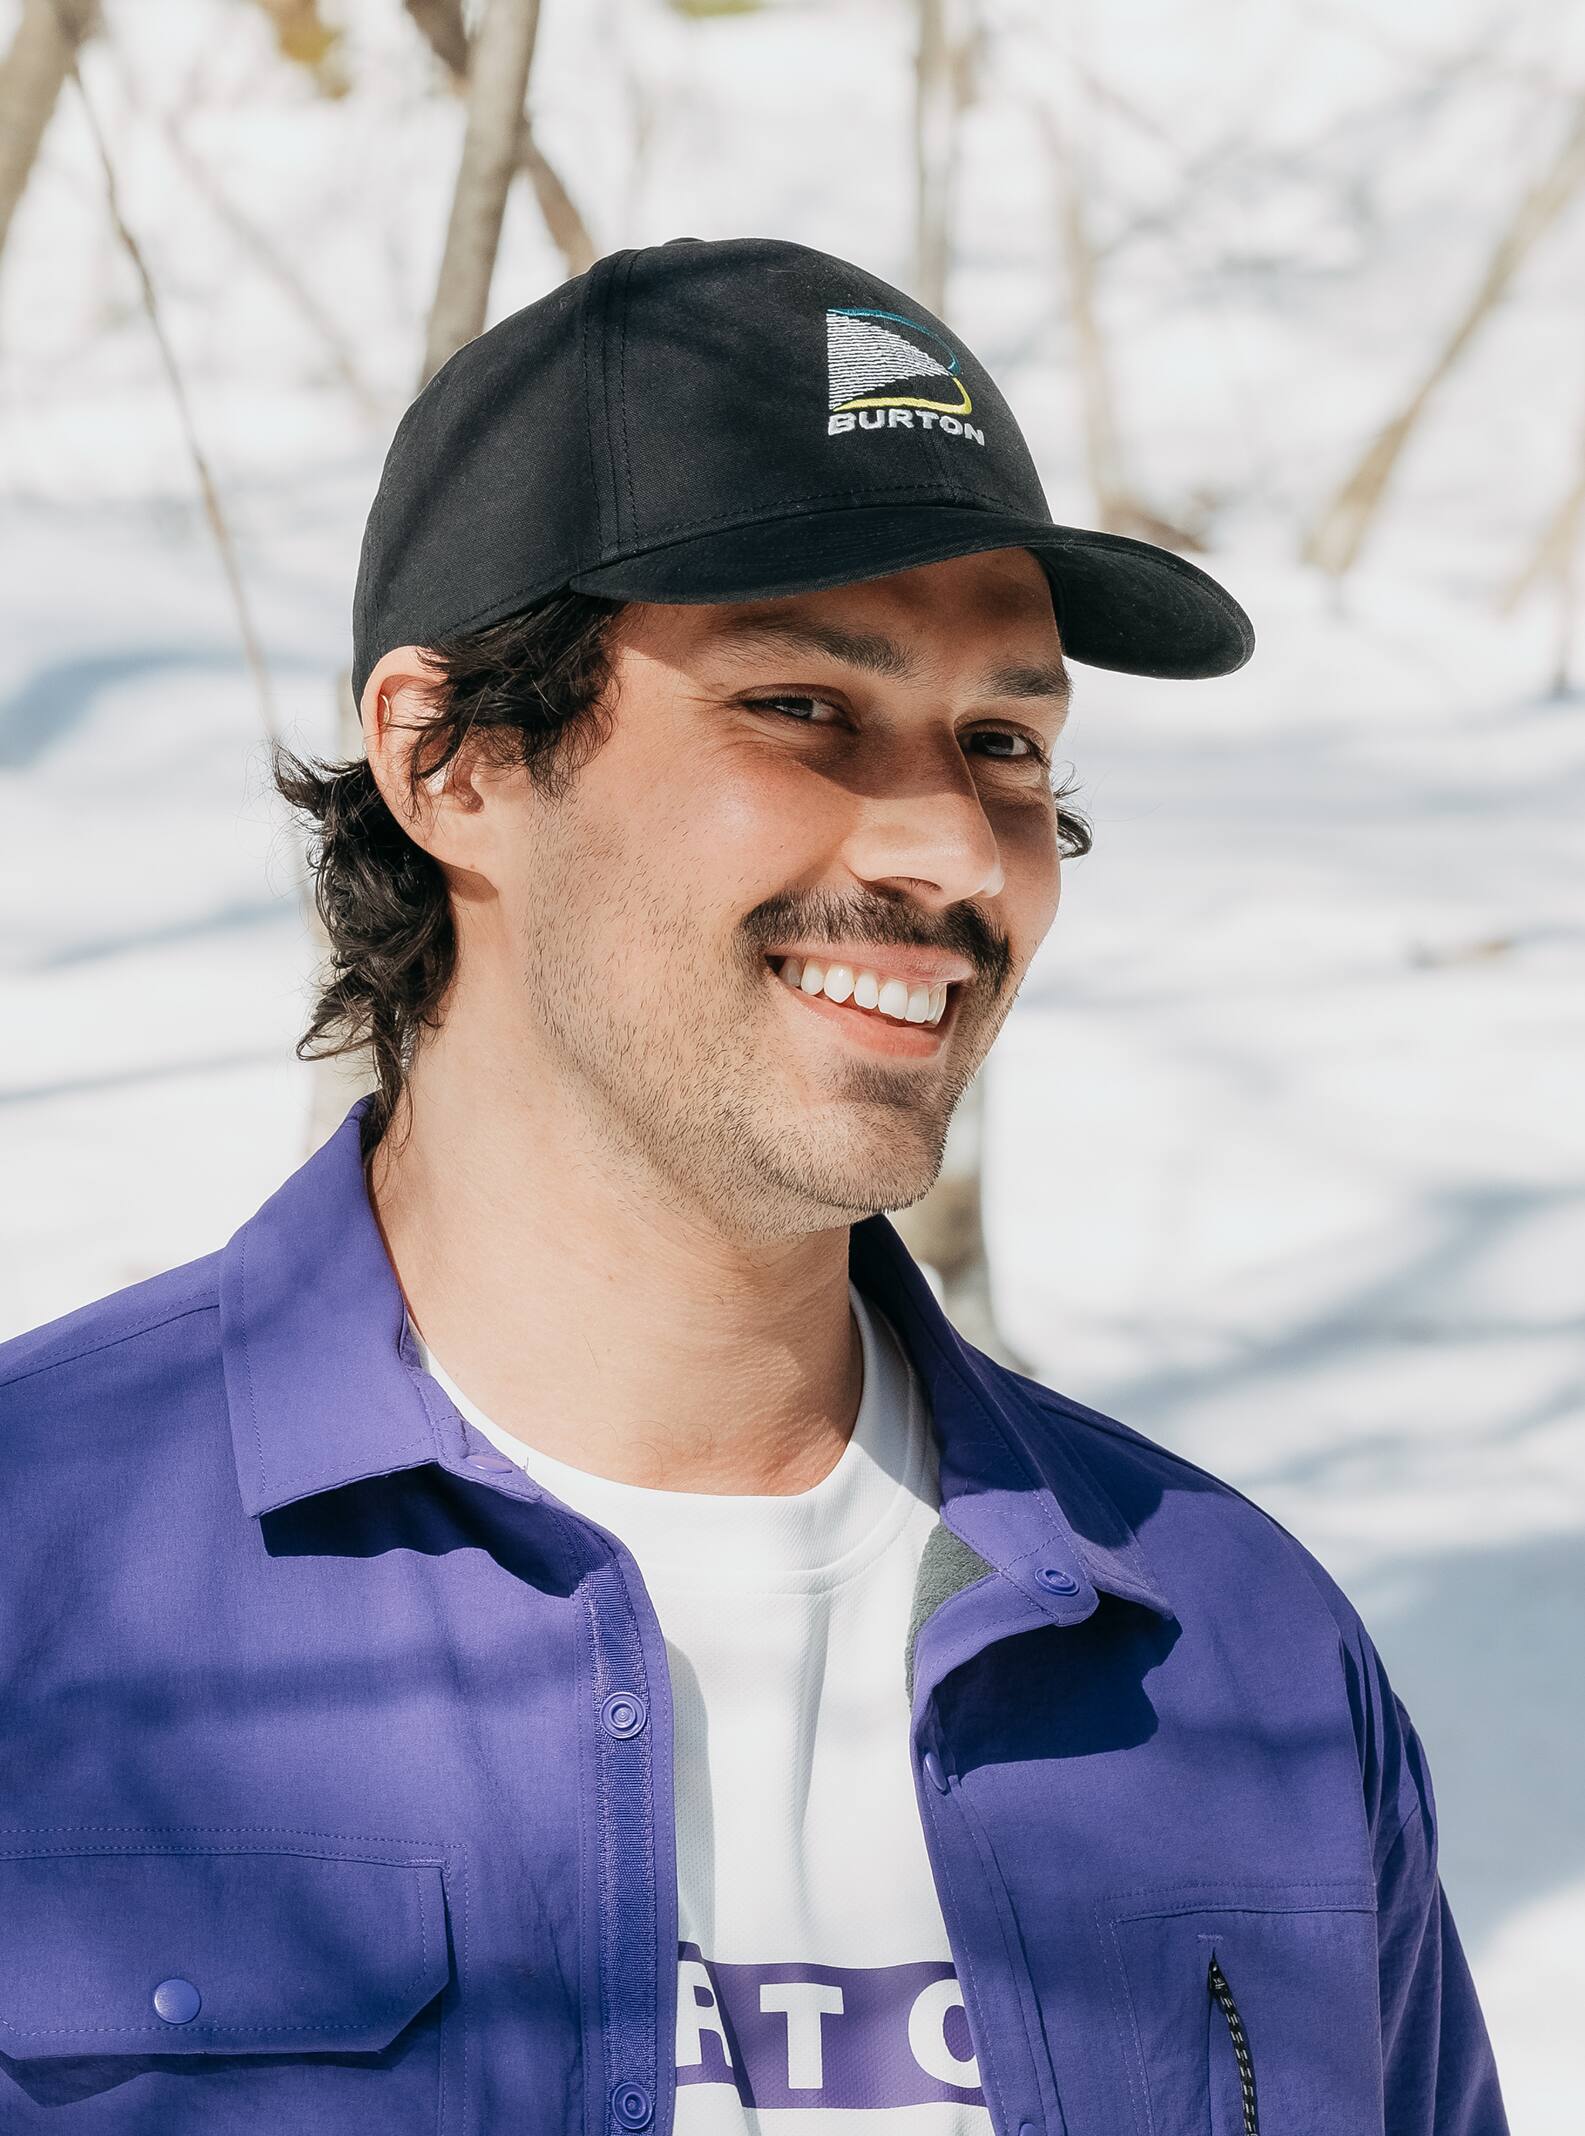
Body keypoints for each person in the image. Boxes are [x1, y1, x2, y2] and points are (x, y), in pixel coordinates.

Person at [0, 237, 1507, 2136]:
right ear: (445, 757)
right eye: (802, 706)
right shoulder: (46, 1573)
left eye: (1005, 742)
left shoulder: (1231, 1651)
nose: (953, 845)